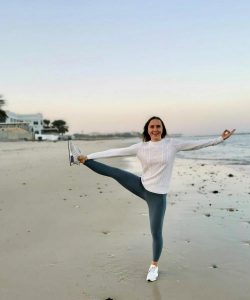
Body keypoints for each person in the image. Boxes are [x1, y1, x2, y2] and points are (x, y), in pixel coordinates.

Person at [68, 116, 235, 282]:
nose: (155, 129)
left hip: (157, 196)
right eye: (152, 126)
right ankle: (79, 159)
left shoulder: (172, 145)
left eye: (158, 126)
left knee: (156, 232)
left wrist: (220, 139)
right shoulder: (141, 147)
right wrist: (89, 155)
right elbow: (114, 152)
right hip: (140, 185)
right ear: (147, 130)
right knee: (114, 172)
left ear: (162, 129)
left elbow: (197, 144)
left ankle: (154, 266)